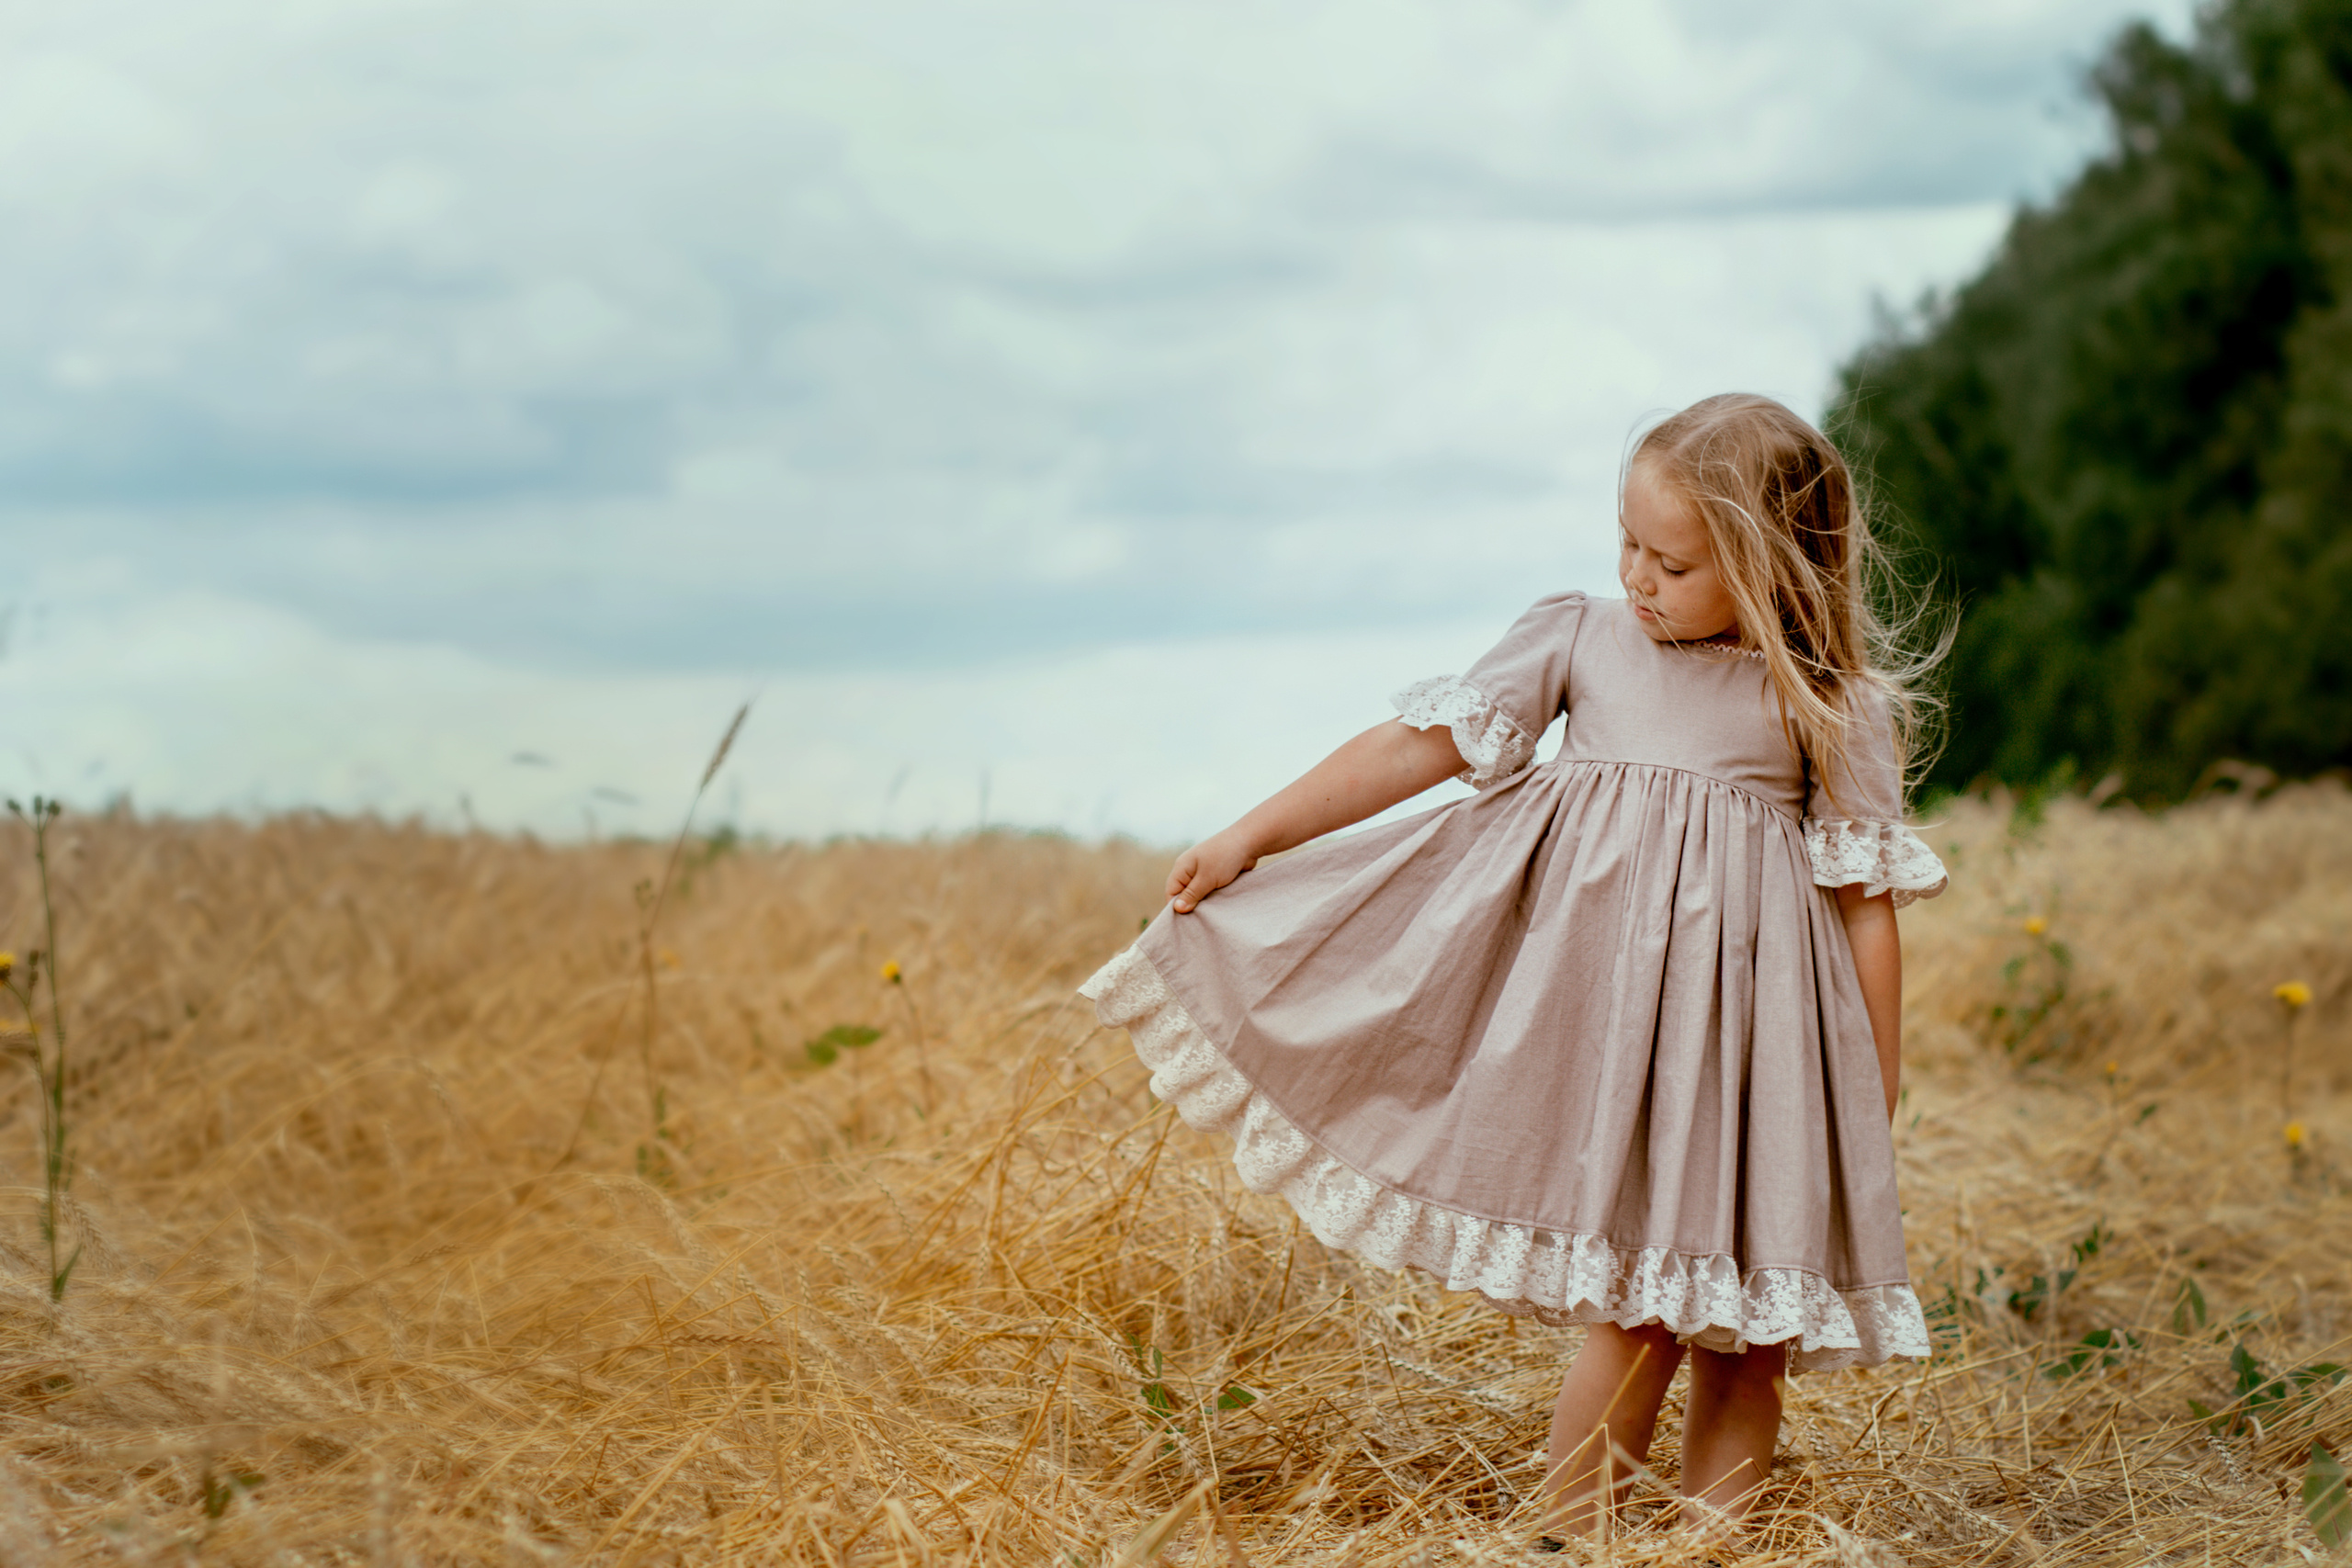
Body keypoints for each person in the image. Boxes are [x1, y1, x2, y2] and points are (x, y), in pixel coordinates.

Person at [1078, 392, 1951, 1542]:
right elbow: (1419, 746)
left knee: (1752, 1340)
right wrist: (1257, 832)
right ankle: (1563, 1537)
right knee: (1637, 1309)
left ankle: (1714, 1549)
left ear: (1772, 566)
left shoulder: (1828, 706)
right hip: (1612, 1041)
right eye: (1627, 544)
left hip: (1754, 1066)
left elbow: (1864, 914)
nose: (1639, 577)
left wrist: (1869, 1093)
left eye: (1673, 564)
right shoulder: (1580, 635)